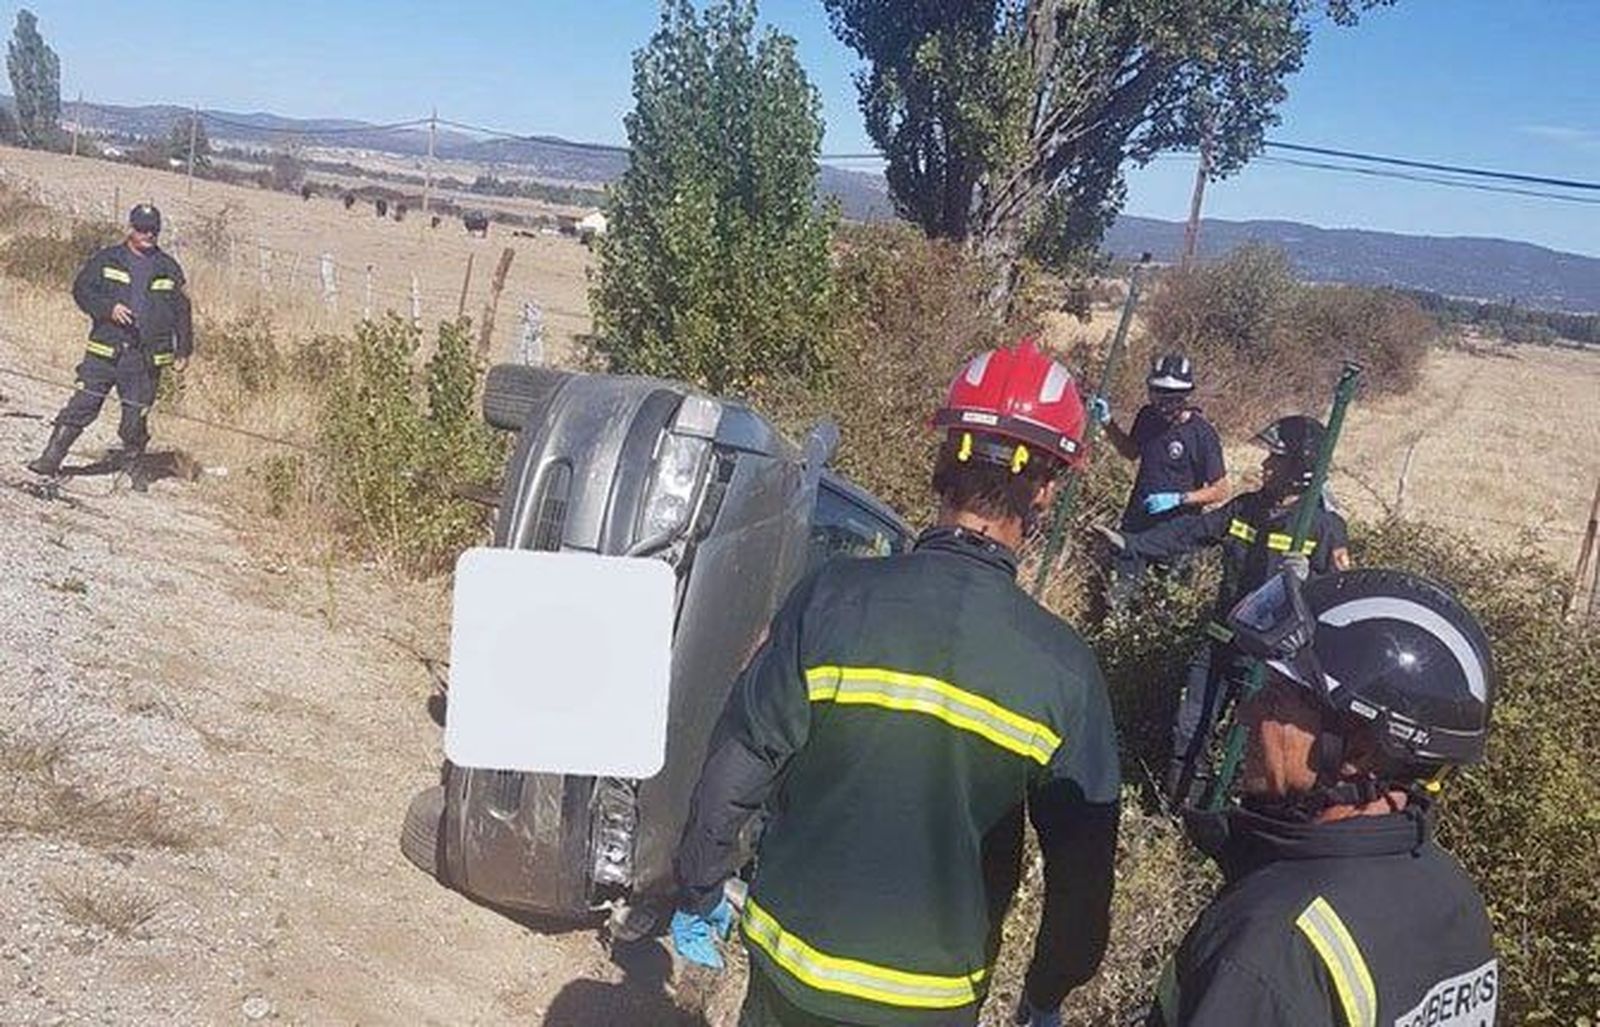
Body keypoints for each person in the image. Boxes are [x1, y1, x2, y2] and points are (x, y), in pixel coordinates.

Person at [671, 339, 1122, 1027]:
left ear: (944, 461)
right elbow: (1081, 877)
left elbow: (742, 758)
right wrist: (1046, 992)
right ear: (1047, 488)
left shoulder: (830, 598)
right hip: (931, 1000)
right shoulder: (1062, 668)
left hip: (790, 972)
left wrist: (701, 887)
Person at [1146, 568, 1499, 1026]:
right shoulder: (1452, 892)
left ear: (1359, 747)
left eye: (1275, 699)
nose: (1249, 715)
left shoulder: (1272, 946)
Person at [1097, 414, 1352, 805]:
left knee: (1261, 744)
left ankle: (1242, 819)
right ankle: (1179, 810)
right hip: (1221, 643)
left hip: (1275, 662)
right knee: (1190, 728)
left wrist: (1309, 583)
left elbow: (1342, 597)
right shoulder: (1245, 509)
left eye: (1276, 459)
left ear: (1302, 470)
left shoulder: (1323, 527)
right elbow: (1187, 534)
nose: (1265, 466)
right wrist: (1130, 544)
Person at [27, 203, 193, 484]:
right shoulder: (107, 259)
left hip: (144, 360)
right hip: (105, 353)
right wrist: (107, 309)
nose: (147, 234)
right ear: (131, 228)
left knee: (135, 418)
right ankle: (50, 460)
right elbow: (82, 291)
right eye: (142, 228)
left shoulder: (168, 267)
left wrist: (184, 349)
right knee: (82, 405)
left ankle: (134, 468)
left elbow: (182, 311)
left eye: (153, 230)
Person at [1091, 354, 1228, 536]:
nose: (1164, 406)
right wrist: (1108, 423)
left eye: (1172, 399)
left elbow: (1221, 490)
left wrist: (1180, 499)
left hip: (1176, 530)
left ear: (1185, 397)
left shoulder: (1201, 433)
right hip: (1138, 519)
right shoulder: (1147, 416)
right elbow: (1131, 452)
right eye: (1158, 397)